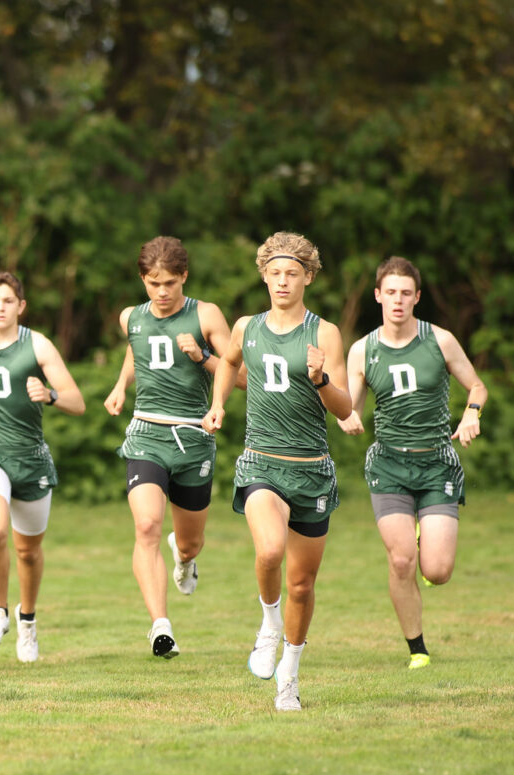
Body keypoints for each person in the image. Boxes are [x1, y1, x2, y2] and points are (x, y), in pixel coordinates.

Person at [203, 231, 352, 712]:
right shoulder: (246, 326)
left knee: (302, 586)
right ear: (264, 277)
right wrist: (217, 405)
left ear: (308, 278)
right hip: (261, 462)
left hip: (311, 471)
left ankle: (289, 672)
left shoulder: (324, 333)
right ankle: (269, 624)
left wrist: (321, 379)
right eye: (275, 273)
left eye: (292, 273)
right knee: (269, 551)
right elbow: (228, 363)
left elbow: (345, 406)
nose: (283, 281)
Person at [339, 256, 487, 669]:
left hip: (436, 465)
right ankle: (417, 649)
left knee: (437, 571)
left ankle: (425, 536)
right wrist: (347, 418)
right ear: (378, 296)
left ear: (417, 297)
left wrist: (472, 413)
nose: (398, 300)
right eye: (391, 292)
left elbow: (476, 386)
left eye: (406, 293)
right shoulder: (362, 350)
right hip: (388, 466)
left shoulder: (440, 340)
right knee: (401, 559)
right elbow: (350, 407)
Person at [103, 237, 233, 659]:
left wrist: (202, 358)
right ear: (143, 279)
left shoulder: (205, 314)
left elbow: (241, 373)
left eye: (170, 283)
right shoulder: (131, 317)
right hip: (147, 435)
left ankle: (184, 558)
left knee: (190, 542)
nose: (162, 292)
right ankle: (161, 627)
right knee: (146, 527)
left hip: (193, 439)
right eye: (153, 283)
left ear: (184, 277)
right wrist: (121, 385)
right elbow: (136, 351)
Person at [0, 272, 86, 663]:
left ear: (21, 306)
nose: (1, 308)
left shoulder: (37, 345)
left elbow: (77, 402)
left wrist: (50, 394)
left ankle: (28, 621)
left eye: (8, 301)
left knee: (28, 551)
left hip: (31, 458)